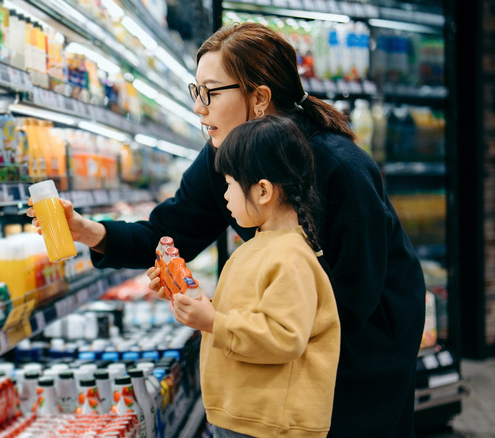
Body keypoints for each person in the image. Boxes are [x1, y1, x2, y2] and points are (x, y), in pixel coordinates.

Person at [27, 22, 425, 437]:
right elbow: (168, 231)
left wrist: (230, 320)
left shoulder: (340, 167)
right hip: (286, 332)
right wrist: (87, 230)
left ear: (259, 98)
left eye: (211, 93)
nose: (200, 108)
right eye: (196, 91)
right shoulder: (224, 155)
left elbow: (353, 297)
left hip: (367, 340)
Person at [172, 115, 340, 437]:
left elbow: (283, 336)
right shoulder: (258, 247)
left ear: (262, 190)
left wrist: (213, 322)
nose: (224, 196)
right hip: (244, 416)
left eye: (230, 184)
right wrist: (198, 304)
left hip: (270, 425)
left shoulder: (290, 258)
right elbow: (247, 313)